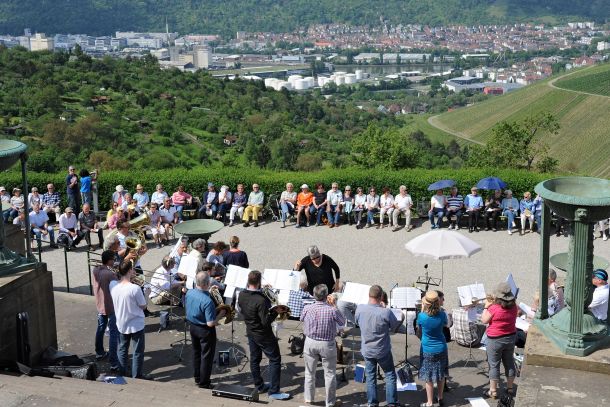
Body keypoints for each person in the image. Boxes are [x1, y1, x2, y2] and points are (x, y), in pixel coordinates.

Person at [237, 270, 290, 400]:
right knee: (275, 359)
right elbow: (265, 322)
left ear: (248, 281)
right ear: (259, 282)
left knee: (255, 359)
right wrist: (275, 311)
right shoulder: (261, 300)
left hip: (250, 331)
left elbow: (243, 309)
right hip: (263, 334)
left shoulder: (242, 294)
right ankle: (274, 392)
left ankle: (259, 386)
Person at [300, 284, 346, 407]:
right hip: (327, 343)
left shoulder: (307, 308)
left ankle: (309, 398)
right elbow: (342, 322)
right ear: (326, 296)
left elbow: (301, 318)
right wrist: (334, 305)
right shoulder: (332, 310)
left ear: (314, 295)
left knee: (309, 372)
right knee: (330, 374)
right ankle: (330, 402)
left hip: (310, 341)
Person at [355, 285, 401, 407]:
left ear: (369, 296)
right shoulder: (385, 312)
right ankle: (392, 403)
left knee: (370, 377)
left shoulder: (360, 309)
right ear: (381, 297)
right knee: (390, 374)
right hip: (382, 350)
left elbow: (356, 322)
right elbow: (394, 327)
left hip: (367, 350)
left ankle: (372, 403)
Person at [110, 260, 151, 380]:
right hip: (136, 324)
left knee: (122, 349)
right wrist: (147, 293)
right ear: (128, 271)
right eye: (132, 269)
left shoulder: (113, 285)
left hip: (122, 323)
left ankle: (122, 374)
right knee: (137, 351)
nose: (134, 271)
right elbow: (143, 306)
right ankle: (136, 376)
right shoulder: (135, 289)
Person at [185, 270, 225, 389]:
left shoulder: (189, 293)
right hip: (205, 330)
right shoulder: (208, 302)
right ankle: (204, 382)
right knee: (206, 356)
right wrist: (221, 315)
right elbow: (210, 323)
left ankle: (197, 377)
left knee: (196, 353)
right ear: (206, 283)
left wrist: (209, 291)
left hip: (193, 327)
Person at [481, 282, 518, 399]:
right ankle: (510, 388)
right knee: (509, 363)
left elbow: (484, 320)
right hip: (510, 338)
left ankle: (493, 391)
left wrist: (486, 306)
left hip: (495, 340)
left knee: (494, 365)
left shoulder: (493, 308)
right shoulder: (514, 307)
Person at [417, 291, 449, 407]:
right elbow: (446, 324)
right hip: (441, 347)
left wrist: (422, 309)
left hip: (427, 349)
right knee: (440, 374)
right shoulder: (442, 314)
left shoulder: (422, 316)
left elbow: (418, 328)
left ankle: (430, 402)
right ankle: (440, 398)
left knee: (429, 377)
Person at [92, 250, 120, 371]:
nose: (115, 261)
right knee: (114, 333)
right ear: (109, 260)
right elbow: (117, 287)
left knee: (101, 328)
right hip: (111, 306)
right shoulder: (110, 274)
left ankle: (99, 352)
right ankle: (114, 361)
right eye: (113, 259)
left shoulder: (95, 270)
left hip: (100, 305)